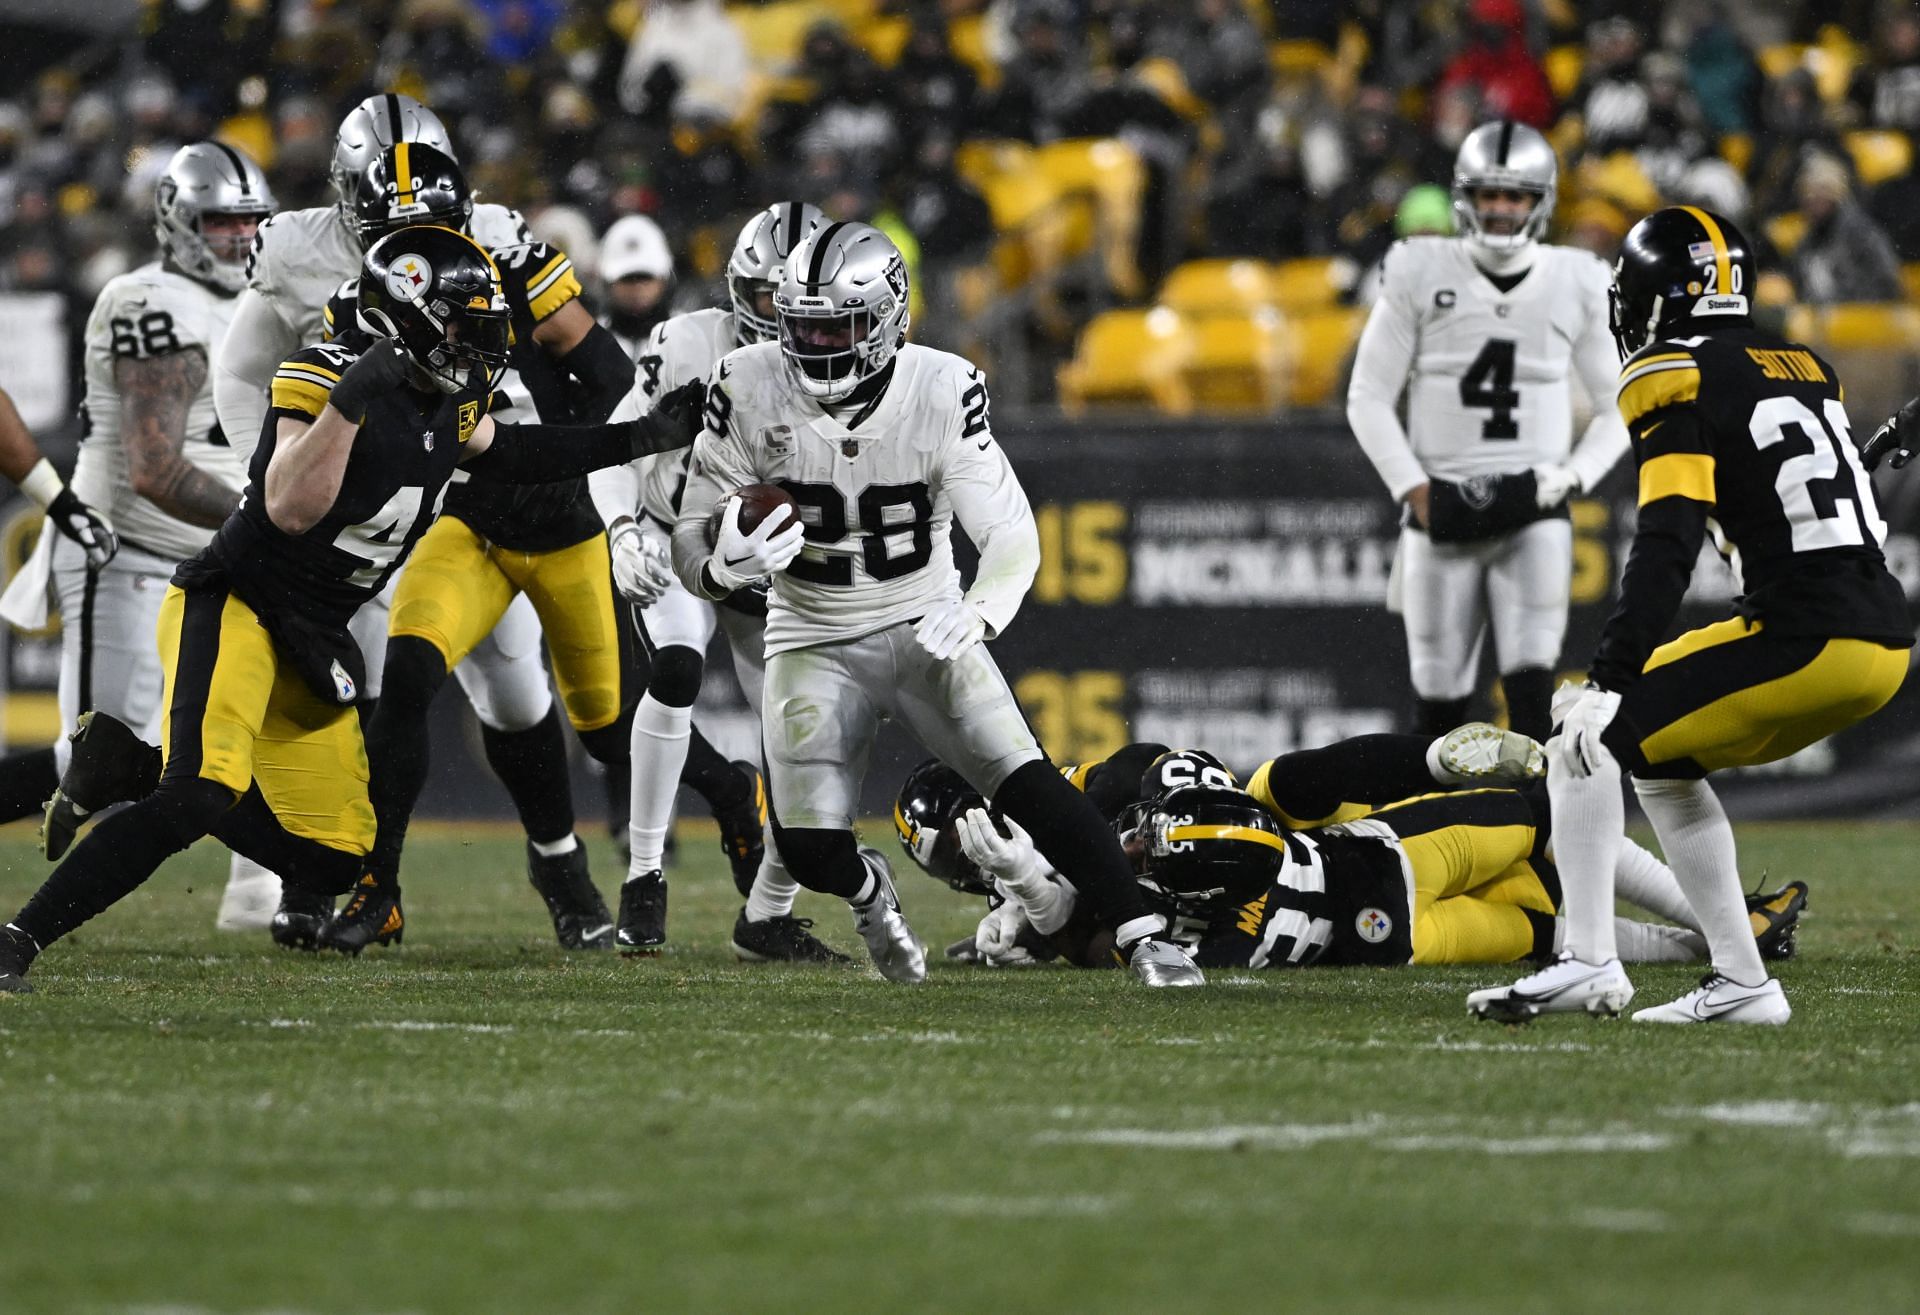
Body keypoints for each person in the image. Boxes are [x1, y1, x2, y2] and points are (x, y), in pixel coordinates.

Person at [0, 225, 705, 994]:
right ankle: (19, 938)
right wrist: (350, 402)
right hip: (237, 602)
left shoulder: (450, 398)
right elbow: (290, 506)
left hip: (314, 633)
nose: (481, 346)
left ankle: (127, 767)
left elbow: (515, 453)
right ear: (412, 318)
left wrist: (637, 438)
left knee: (334, 860)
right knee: (197, 794)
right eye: (465, 326)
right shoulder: (320, 375)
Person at [670, 221, 1202, 986]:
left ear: (888, 317)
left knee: (1030, 784)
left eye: (837, 327)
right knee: (812, 849)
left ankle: (1147, 935)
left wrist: (980, 610)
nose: (817, 346)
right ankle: (868, 890)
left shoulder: (943, 386)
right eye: (803, 327)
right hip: (809, 635)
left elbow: (1013, 535)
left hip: (924, 623)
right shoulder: (745, 381)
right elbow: (690, 539)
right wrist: (721, 566)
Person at [1467, 207, 1912, 1026]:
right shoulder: (1803, 361)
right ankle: (1743, 981)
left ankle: (1589, 962)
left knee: (1586, 732)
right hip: (1880, 639)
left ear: (1659, 296)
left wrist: (1609, 673)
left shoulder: (1671, 369)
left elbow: (1668, 533)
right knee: (1661, 762)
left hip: (1807, 632)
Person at [207, 93, 573, 949]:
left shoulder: (496, 232)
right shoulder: (298, 250)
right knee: (350, 695)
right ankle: (341, 882)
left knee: (516, 688)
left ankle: (560, 864)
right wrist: (264, 474)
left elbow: (562, 360)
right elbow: (243, 367)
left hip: (469, 492)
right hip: (365, 512)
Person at [314, 142, 654, 954]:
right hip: (461, 518)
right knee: (405, 676)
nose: (413, 254)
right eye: (394, 232)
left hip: (555, 516)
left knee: (606, 728)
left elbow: (604, 374)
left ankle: (603, 858)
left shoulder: (509, 262)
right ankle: (379, 887)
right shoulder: (359, 298)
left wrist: (559, 462)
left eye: (427, 227)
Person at [895, 734, 1805, 973]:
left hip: (1373, 873)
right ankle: (1726, 939)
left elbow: (1187, 794)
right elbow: (1128, 947)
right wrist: (1044, 919)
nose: (969, 874)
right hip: (1381, 915)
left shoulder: (1096, 795)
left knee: (1544, 830)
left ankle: (1729, 929)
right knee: (1547, 923)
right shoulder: (1037, 904)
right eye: (952, 868)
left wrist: (1079, 890)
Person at [0, 144, 269, 910]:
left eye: (251, 222)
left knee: (228, 742)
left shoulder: (266, 297)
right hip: (132, 552)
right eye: (221, 223)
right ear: (178, 220)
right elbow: (156, 468)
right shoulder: (147, 299)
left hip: (217, 560)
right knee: (96, 755)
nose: (239, 239)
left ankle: (265, 892)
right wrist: (273, 521)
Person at [595, 201, 843, 961]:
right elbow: (616, 442)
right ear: (742, 289)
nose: (789, 317)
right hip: (679, 537)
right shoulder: (687, 341)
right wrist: (623, 529)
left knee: (799, 723)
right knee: (675, 667)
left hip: (771, 557)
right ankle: (643, 874)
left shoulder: (848, 369)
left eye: (807, 302)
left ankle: (769, 911)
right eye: (774, 298)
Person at [1347, 120, 1629, 742]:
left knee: (1531, 696)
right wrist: (1413, 489)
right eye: (1489, 194)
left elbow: (1622, 404)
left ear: (1541, 201)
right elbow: (1366, 397)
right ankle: (1434, 835)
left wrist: (1570, 477)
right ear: (1464, 198)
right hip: (1439, 505)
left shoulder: (1576, 278)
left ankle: (1531, 835)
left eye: (1516, 195)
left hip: (1534, 507)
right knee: (1438, 703)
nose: (1501, 209)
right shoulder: (1420, 267)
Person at [598, 213, 675, 357]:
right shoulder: (591, 341)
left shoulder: (689, 336)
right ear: (608, 284)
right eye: (627, 279)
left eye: (645, 277)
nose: (637, 288)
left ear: (664, 280)